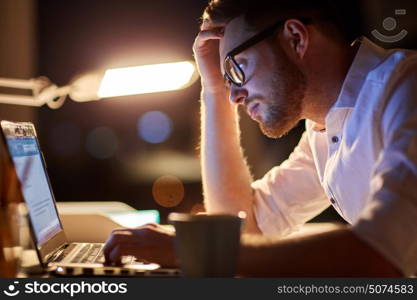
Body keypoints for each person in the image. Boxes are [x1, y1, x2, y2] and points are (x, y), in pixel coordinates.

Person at [103, 0, 417, 276]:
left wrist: (189, 252)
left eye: (237, 68)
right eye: (227, 79)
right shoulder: (327, 129)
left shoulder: (405, 91)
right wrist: (213, 89)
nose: (235, 97)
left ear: (296, 37)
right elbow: (242, 228)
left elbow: (379, 256)